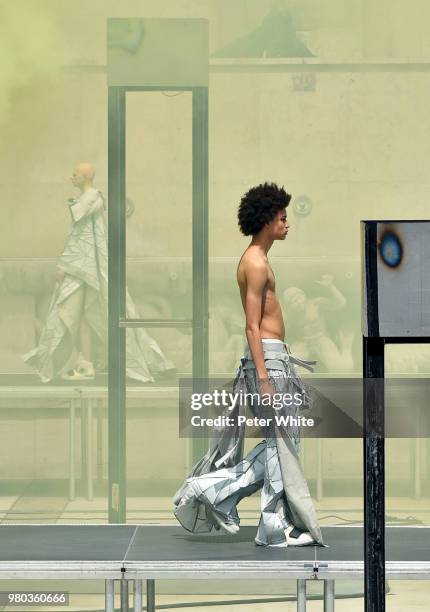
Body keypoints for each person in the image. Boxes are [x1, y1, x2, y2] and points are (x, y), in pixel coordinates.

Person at [173, 182, 325, 548]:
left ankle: (272, 525)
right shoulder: (255, 263)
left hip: (272, 359)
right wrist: (263, 376)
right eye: (282, 218)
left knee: (281, 444)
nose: (287, 224)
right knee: (283, 444)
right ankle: (212, 488)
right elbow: (251, 324)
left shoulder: (257, 259)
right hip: (268, 362)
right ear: (267, 219)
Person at [23, 162, 175, 383]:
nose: (71, 177)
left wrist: (64, 265)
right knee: (83, 313)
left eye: (74, 173)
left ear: (85, 177)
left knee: (76, 312)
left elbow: (81, 239)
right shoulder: (90, 200)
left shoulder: (91, 200)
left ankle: (90, 362)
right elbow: (84, 238)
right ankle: (86, 362)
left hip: (85, 269)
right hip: (86, 268)